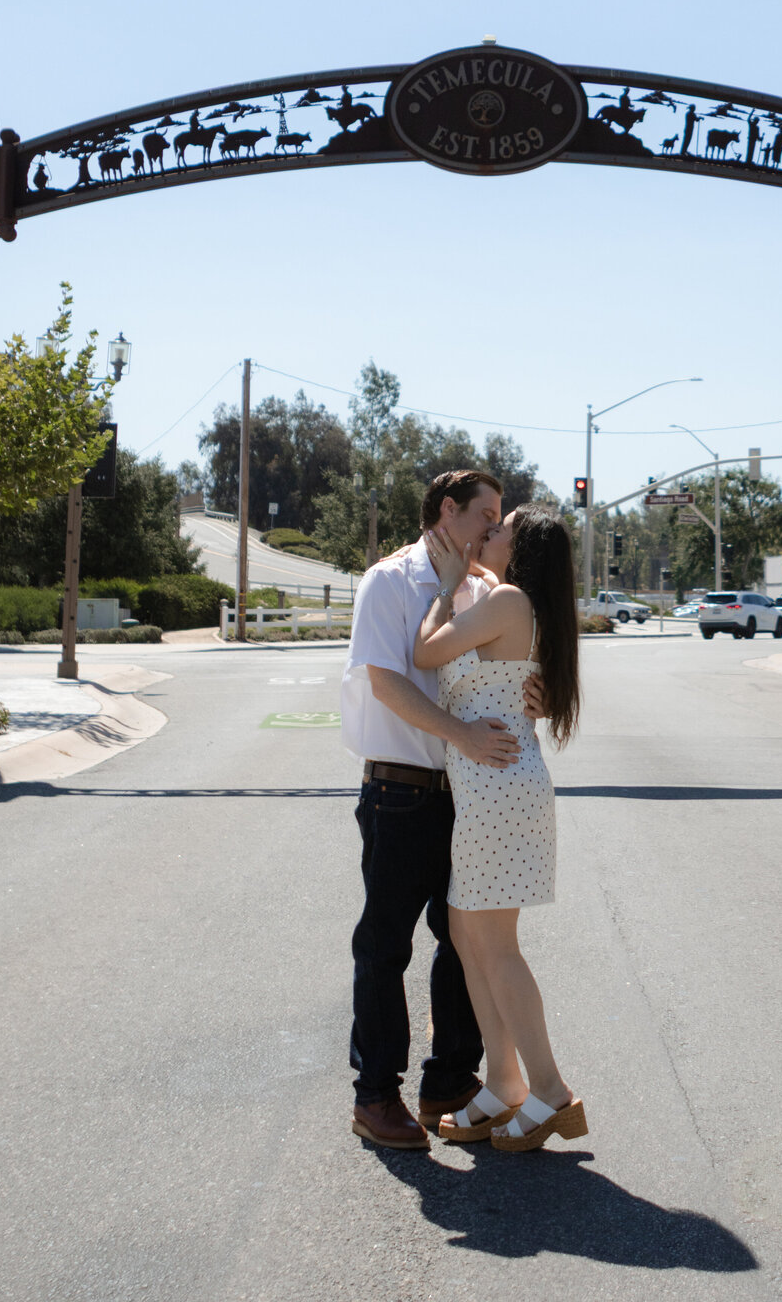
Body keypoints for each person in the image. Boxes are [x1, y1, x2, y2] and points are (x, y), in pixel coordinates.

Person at [342, 469, 524, 1150]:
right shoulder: (388, 582)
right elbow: (386, 681)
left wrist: (522, 699)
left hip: (470, 797)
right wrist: (465, 736)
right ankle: (376, 1095)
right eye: (485, 513)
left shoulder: (479, 590)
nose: (492, 527)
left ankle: (449, 1080)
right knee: (386, 946)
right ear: (447, 510)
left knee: (465, 943)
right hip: (399, 792)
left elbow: (498, 678)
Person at [414, 504, 587, 1153]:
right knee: (468, 933)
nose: (486, 535)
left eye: (499, 529)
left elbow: (425, 652)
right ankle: (504, 1079)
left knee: (495, 943)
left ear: (522, 549)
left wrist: (442, 584)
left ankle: (548, 1090)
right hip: (495, 781)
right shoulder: (516, 604)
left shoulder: (509, 599)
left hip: (496, 784)